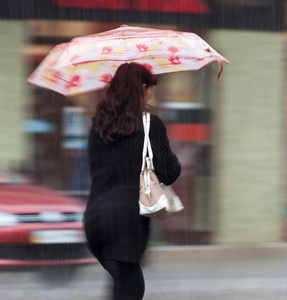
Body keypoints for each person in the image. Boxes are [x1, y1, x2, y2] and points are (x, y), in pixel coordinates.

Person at [83, 62, 181, 300]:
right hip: (126, 222)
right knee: (131, 290)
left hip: (96, 220)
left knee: (123, 287)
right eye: (151, 89)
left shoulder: (97, 126)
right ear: (144, 88)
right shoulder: (150, 124)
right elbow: (169, 173)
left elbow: (96, 171)